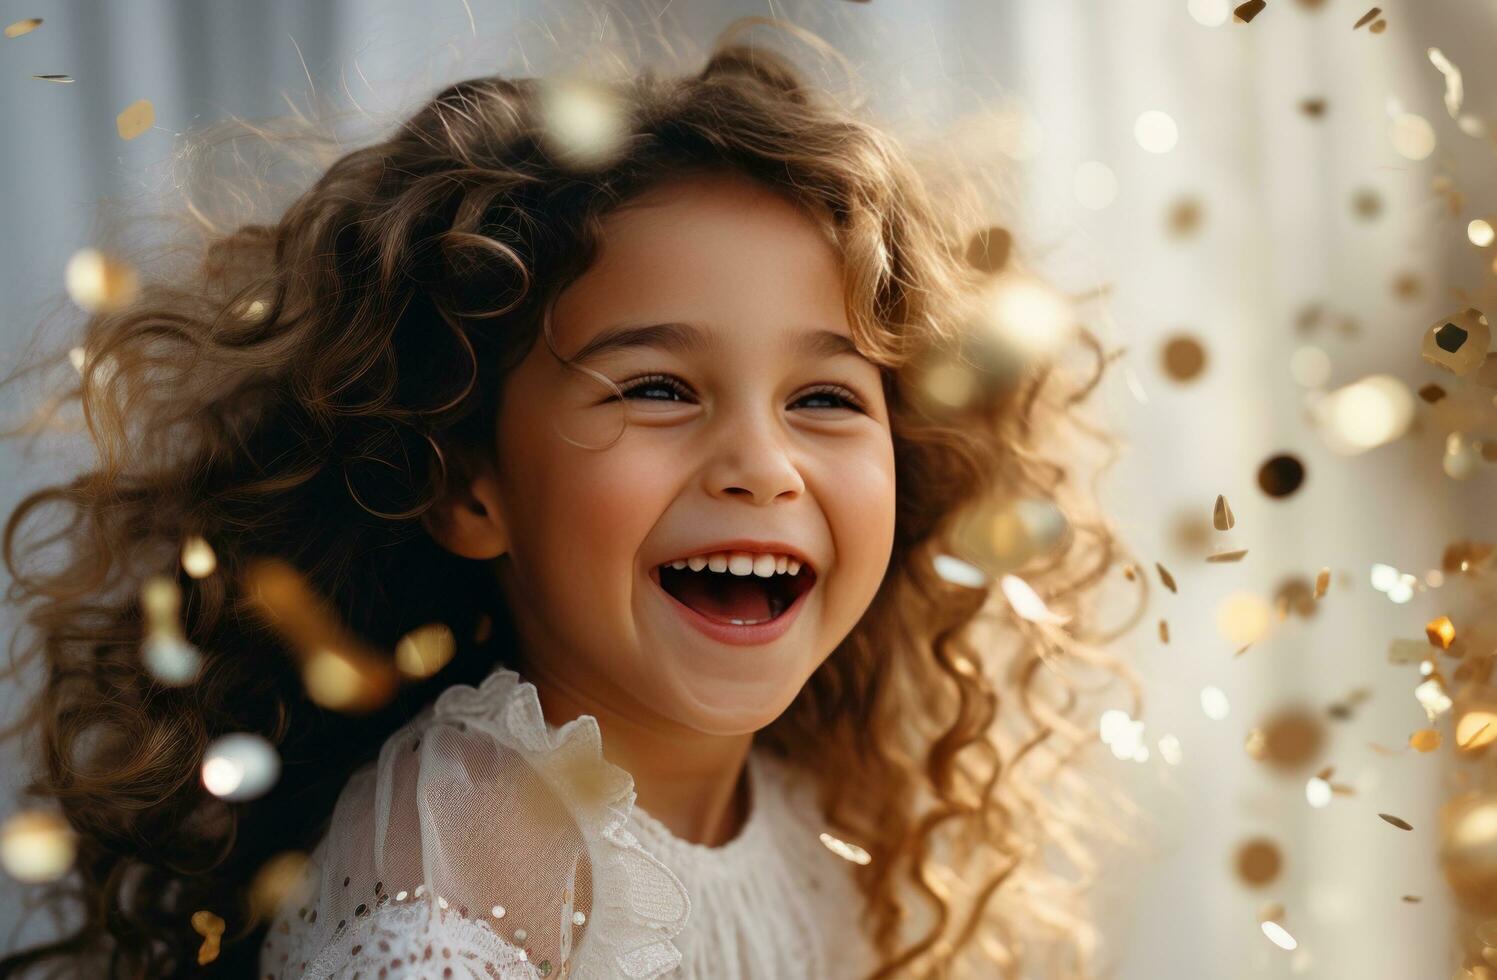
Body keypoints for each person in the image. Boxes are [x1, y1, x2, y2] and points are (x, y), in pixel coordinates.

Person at [0, 16, 1130, 980]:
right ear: (466, 483)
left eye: (826, 396)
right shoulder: (460, 858)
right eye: (655, 386)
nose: (761, 463)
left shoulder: (814, 820)